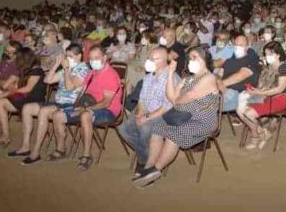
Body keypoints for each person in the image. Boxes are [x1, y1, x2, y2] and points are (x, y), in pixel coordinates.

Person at [133, 47, 220, 189]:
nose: (191, 61)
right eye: (190, 58)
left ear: (204, 59)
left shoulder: (209, 78)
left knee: (174, 134)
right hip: (184, 118)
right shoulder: (189, 79)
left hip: (203, 121)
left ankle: (155, 170)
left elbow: (181, 99)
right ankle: (148, 167)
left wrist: (176, 98)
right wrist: (170, 73)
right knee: (157, 128)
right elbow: (171, 96)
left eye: (195, 57)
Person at [11, 44, 90, 164]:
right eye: (66, 56)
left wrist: (67, 69)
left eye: (71, 56)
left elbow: (69, 87)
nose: (67, 59)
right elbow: (48, 80)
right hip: (58, 103)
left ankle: (35, 152)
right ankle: (25, 146)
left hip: (71, 105)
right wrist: (57, 65)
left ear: (79, 56)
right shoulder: (66, 68)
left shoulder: (83, 69)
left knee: (44, 111)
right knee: (27, 108)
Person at [51, 45, 123, 171]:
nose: (93, 61)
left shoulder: (110, 75)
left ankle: (86, 155)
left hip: (108, 111)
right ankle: (61, 149)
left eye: (97, 58)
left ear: (105, 58)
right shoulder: (91, 73)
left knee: (85, 116)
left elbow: (106, 103)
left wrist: (84, 109)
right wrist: (75, 107)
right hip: (88, 105)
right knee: (58, 115)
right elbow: (82, 93)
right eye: (91, 58)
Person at [122, 46, 178, 176]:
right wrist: (141, 113)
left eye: (154, 59)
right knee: (124, 129)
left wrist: (146, 118)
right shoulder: (148, 77)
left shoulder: (171, 78)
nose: (150, 61)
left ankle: (143, 161)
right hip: (147, 111)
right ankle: (147, 155)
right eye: (149, 58)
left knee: (145, 129)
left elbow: (167, 106)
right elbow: (142, 99)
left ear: (164, 61)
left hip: (164, 115)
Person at [236, 41, 286, 150]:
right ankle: (262, 133)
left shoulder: (284, 68)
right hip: (265, 96)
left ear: (278, 54)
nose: (267, 56)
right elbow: (261, 85)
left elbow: (279, 89)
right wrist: (254, 90)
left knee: (249, 114)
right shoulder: (267, 68)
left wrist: (258, 92)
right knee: (239, 110)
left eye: (270, 54)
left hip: (279, 98)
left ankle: (255, 136)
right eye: (266, 54)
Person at [0, 48, 47, 145]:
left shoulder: (37, 70)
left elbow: (28, 89)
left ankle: (5, 136)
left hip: (33, 99)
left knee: (0, 102)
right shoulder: (26, 69)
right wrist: (5, 93)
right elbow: (17, 87)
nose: (16, 60)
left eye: (18, 58)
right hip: (23, 96)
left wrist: (8, 92)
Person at [218, 33, 259, 113]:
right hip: (221, 90)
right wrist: (217, 83)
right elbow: (219, 73)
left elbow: (239, 76)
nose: (237, 47)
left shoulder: (250, 60)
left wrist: (216, 85)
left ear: (247, 47)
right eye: (236, 45)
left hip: (234, 94)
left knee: (201, 104)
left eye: (240, 45)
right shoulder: (230, 59)